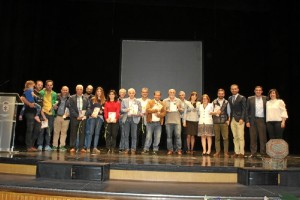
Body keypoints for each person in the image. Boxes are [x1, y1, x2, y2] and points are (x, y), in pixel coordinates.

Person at [20, 80, 45, 152]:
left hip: (37, 114)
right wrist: (29, 104)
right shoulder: (30, 91)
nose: (40, 86)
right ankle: (28, 146)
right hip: (29, 112)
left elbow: (41, 106)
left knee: (37, 129)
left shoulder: (40, 95)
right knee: (30, 129)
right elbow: (22, 98)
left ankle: (31, 145)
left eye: (41, 85)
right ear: (35, 85)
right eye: (38, 85)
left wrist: (44, 117)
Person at [141, 91, 166, 155]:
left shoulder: (162, 103)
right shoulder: (150, 102)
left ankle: (155, 149)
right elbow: (147, 109)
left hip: (158, 123)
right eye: (156, 95)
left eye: (158, 95)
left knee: (157, 137)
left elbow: (164, 113)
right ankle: (146, 149)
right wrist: (155, 110)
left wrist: (159, 115)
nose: (157, 96)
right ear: (154, 96)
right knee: (148, 137)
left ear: (160, 96)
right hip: (150, 122)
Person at [68, 84, 90, 153]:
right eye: (78, 89)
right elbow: (70, 108)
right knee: (73, 132)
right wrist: (77, 116)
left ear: (82, 90)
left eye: (81, 89)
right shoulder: (72, 98)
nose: (79, 90)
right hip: (75, 118)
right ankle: (73, 147)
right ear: (76, 90)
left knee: (82, 133)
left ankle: (81, 147)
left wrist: (84, 115)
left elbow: (88, 108)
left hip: (83, 118)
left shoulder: (86, 98)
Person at [246, 86, 267, 157]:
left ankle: (263, 153)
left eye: (259, 90)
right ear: (254, 91)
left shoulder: (266, 98)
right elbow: (247, 110)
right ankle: (253, 153)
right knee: (253, 137)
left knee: (263, 138)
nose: (258, 91)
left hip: (262, 119)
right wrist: (247, 121)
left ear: (262, 91)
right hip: (252, 120)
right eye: (257, 90)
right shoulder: (250, 98)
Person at [37, 80, 57, 151]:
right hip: (43, 113)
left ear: (52, 86)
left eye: (51, 85)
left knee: (49, 130)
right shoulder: (42, 92)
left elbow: (54, 102)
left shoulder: (54, 94)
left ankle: (47, 145)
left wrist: (55, 106)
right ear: (46, 86)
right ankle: (40, 145)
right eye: (48, 85)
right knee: (42, 130)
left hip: (51, 114)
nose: (49, 86)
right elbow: (39, 102)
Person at [120, 88, 142, 154]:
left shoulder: (138, 101)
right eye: (130, 93)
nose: (131, 94)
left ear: (135, 93)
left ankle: (133, 149)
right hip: (126, 119)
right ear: (128, 94)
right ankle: (126, 148)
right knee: (126, 135)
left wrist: (136, 113)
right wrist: (126, 110)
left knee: (134, 135)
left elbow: (140, 111)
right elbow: (121, 110)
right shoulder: (124, 100)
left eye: (133, 93)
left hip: (134, 119)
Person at [228, 84, 246, 158]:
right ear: (230, 90)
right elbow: (230, 110)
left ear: (238, 90)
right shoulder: (229, 98)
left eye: (235, 89)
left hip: (240, 120)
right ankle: (236, 152)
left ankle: (242, 152)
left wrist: (242, 118)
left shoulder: (242, 98)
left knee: (240, 136)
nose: (234, 90)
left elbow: (244, 109)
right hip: (232, 119)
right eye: (232, 89)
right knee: (235, 137)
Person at [86, 87, 105, 153]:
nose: (99, 92)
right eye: (98, 91)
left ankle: (95, 147)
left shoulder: (104, 100)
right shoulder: (92, 99)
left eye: (100, 91)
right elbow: (89, 108)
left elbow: (104, 109)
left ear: (102, 92)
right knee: (90, 132)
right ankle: (88, 147)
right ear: (96, 92)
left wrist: (102, 111)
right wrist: (91, 113)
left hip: (99, 118)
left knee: (97, 133)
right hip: (92, 117)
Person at [212, 88, 230, 158]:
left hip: (224, 122)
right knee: (217, 138)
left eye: (222, 94)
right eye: (219, 93)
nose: (221, 95)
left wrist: (228, 120)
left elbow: (229, 112)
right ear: (217, 94)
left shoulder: (226, 102)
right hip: (216, 122)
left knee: (225, 138)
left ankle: (226, 152)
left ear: (224, 94)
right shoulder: (214, 102)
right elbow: (212, 112)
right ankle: (217, 152)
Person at [163, 89, 182, 155]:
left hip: (177, 122)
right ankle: (170, 149)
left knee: (178, 136)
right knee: (169, 137)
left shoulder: (178, 100)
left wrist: (179, 108)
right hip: (168, 121)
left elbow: (181, 110)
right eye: (170, 92)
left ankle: (178, 149)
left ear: (175, 93)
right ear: (168, 93)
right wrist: (166, 110)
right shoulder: (165, 100)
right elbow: (163, 111)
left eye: (173, 92)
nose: (172, 93)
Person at [52, 86, 70, 152]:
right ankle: (54, 145)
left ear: (68, 91)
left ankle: (62, 146)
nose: (65, 91)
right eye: (64, 90)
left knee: (64, 132)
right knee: (56, 131)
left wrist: (69, 113)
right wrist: (54, 107)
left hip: (66, 117)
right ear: (61, 90)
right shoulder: (57, 96)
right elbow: (52, 104)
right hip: (57, 116)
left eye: (66, 90)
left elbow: (71, 107)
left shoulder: (70, 98)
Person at [84, 85, 94, 149]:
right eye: (88, 89)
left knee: (88, 132)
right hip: (82, 116)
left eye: (91, 89)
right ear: (86, 89)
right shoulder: (82, 96)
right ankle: (80, 146)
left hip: (90, 117)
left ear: (92, 90)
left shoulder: (94, 97)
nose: (89, 90)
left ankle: (87, 146)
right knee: (81, 132)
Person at [118, 88, 127, 152]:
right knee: (120, 133)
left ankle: (122, 147)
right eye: (121, 92)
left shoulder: (127, 101)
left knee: (124, 133)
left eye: (124, 92)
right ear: (119, 93)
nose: (123, 93)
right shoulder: (116, 100)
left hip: (125, 118)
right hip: (117, 118)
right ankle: (121, 147)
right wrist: (118, 115)